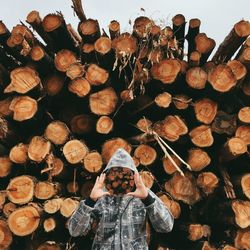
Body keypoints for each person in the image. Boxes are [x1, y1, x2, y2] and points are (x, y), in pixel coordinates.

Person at [68, 148, 174, 250]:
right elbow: (75, 231)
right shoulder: (100, 196)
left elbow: (166, 226)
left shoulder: (144, 194)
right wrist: (90, 201)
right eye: (114, 175)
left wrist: (147, 199)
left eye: (125, 175)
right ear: (107, 175)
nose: (120, 180)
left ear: (133, 175)